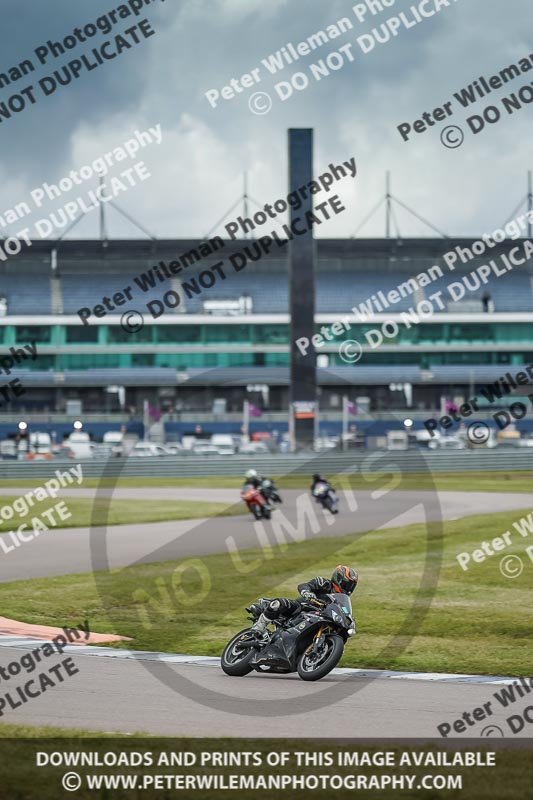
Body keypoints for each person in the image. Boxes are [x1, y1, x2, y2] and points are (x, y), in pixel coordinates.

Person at [251, 565, 359, 633]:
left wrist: (349, 621)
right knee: (279, 604)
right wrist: (307, 593)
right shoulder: (324, 583)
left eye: (351, 586)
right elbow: (304, 585)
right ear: (338, 579)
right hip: (301, 608)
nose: (348, 589)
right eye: (346, 585)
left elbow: (344, 612)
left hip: (319, 618)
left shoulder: (342, 600)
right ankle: (258, 628)